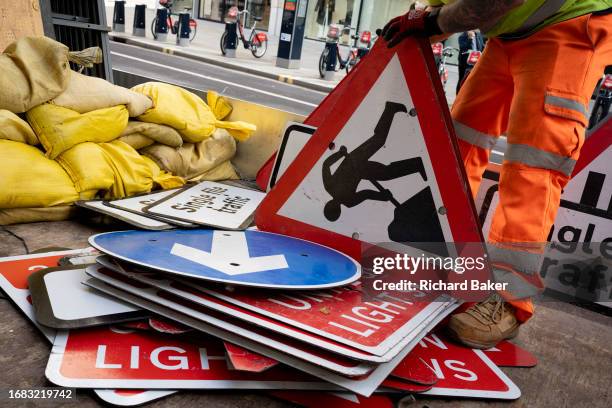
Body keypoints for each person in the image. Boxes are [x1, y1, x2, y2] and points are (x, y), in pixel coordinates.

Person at [382, 0, 611, 349]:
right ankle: (435, 252)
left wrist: (434, 23)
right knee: (458, 142)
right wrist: (430, 17)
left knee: (532, 167)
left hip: (568, 24)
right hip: (508, 30)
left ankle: (507, 299)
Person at [456, 30, 484, 94]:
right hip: (465, 61)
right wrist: (470, 39)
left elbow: (482, 47)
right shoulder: (463, 36)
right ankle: (458, 94)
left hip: (476, 60)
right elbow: (463, 47)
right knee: (462, 78)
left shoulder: (478, 35)